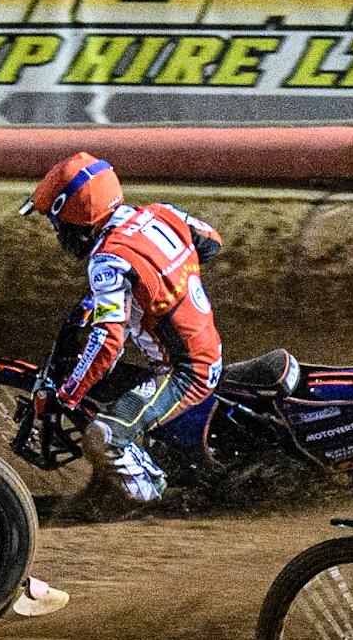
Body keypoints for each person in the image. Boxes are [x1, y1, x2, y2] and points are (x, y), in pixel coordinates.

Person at [18, 151, 225, 503]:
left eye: (58, 223)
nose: (58, 233)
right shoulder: (161, 213)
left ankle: (148, 502)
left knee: (101, 436)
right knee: (107, 385)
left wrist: (67, 396)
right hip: (204, 347)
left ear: (77, 219)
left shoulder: (107, 261)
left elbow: (108, 340)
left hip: (185, 372)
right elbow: (211, 241)